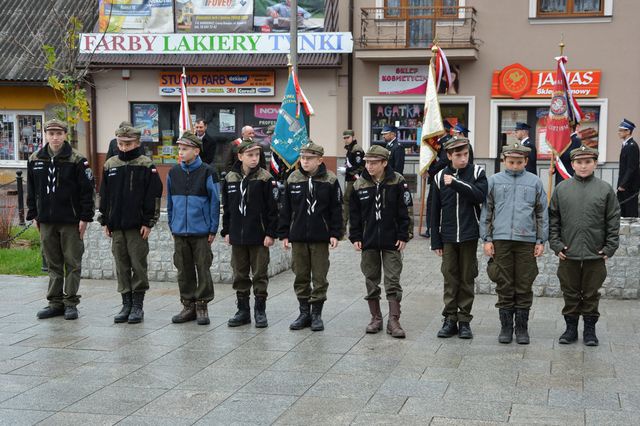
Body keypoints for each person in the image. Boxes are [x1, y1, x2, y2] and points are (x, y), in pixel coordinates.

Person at [549, 145, 620, 346]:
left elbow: (613, 219)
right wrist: (556, 244)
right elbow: (553, 219)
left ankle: (590, 330)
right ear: (572, 164)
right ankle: (570, 329)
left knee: (591, 293)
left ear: (595, 164)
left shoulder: (604, 189)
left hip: (594, 253)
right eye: (579, 162)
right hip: (568, 252)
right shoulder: (562, 188)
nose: (583, 166)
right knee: (570, 291)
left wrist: (609, 247)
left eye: (588, 162)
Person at [480, 141, 548, 345]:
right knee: (504, 283)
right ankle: (506, 327)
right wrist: (487, 239)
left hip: (526, 241)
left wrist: (540, 240)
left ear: (526, 161)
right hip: (501, 240)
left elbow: (541, 213)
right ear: (504, 161)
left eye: (519, 162)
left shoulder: (535, 182)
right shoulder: (494, 181)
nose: (515, 165)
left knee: (524, 283)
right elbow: (487, 211)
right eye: (511, 162)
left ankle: (522, 328)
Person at [27, 119, 95, 320]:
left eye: (59, 133)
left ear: (65, 135)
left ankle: (71, 302)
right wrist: (33, 214)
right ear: (45, 135)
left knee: (72, 262)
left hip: (70, 220)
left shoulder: (77, 160)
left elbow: (86, 191)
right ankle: (55, 302)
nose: (55, 137)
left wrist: (85, 217)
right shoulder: (35, 159)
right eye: (51, 134)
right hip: (46, 220)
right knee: (53, 262)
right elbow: (31, 190)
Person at [98, 126, 163, 324]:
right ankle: (126, 303)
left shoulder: (145, 164)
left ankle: (137, 306)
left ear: (137, 143)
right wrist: (105, 220)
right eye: (120, 144)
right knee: (122, 265)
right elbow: (105, 195)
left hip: (137, 226)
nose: (124, 148)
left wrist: (148, 222)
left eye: (128, 144)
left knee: (138, 265)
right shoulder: (110, 164)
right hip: (116, 225)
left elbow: (153, 195)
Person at [349, 145, 412, 339]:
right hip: (368, 241)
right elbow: (355, 214)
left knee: (392, 280)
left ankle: (394, 320)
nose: (369, 166)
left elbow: (405, 212)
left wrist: (404, 235)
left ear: (384, 163)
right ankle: (375, 317)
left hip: (392, 240)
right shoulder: (359, 185)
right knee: (371, 278)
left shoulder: (398, 181)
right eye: (367, 162)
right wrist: (356, 236)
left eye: (374, 163)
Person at [279, 142, 342, 332]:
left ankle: (316, 314)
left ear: (319, 160)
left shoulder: (330, 179)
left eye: (309, 158)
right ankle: (304, 312)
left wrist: (335, 233)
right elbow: (286, 208)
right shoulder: (293, 178)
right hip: (298, 235)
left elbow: (336, 209)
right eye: (303, 158)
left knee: (320, 277)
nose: (305, 161)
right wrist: (284, 234)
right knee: (301, 275)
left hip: (320, 236)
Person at [430, 136, 487, 339]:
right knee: (449, 277)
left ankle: (464, 321)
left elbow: (480, 195)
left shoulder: (477, 172)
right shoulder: (438, 177)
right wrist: (435, 240)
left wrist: (456, 183)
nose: (463, 159)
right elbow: (433, 210)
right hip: (447, 236)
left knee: (466, 277)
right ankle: (450, 319)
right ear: (449, 156)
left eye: (466, 154)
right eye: (458, 155)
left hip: (469, 234)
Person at [221, 140, 278, 328]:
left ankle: (260, 311)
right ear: (240, 156)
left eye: (257, 155)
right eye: (250, 155)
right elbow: (227, 208)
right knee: (240, 274)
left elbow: (272, 209)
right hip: (237, 236)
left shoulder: (265, 178)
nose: (254, 159)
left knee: (260, 273)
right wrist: (226, 230)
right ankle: (243, 310)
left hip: (259, 236)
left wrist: (270, 233)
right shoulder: (230, 178)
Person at [167, 132, 220, 325]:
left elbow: (214, 201)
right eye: (179, 149)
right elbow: (171, 202)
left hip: (201, 231)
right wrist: (172, 225)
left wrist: (212, 228)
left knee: (203, 268)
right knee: (183, 269)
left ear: (196, 151)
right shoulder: (173, 172)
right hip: (180, 231)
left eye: (185, 149)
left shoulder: (208, 172)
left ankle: (202, 305)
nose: (181, 152)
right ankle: (188, 304)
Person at [422, 120, 453, 238]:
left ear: (443, 130)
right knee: (432, 203)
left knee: (440, 203)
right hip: (436, 177)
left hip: (442, 177)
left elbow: (444, 161)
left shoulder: (448, 142)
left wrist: (430, 172)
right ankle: (430, 228)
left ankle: (439, 228)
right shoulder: (437, 142)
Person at [341, 129, 364, 236]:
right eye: (344, 138)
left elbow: (360, 166)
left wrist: (347, 171)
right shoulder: (350, 149)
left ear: (353, 137)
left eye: (348, 137)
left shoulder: (356, 149)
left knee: (347, 201)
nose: (346, 140)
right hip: (350, 179)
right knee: (349, 201)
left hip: (355, 180)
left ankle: (344, 228)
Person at [616, 118, 640, 217]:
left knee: (630, 212)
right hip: (624, 185)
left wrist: (623, 184)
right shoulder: (626, 145)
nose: (619, 133)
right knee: (623, 211)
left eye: (621, 130)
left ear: (628, 131)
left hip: (629, 186)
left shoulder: (632, 146)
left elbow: (631, 168)